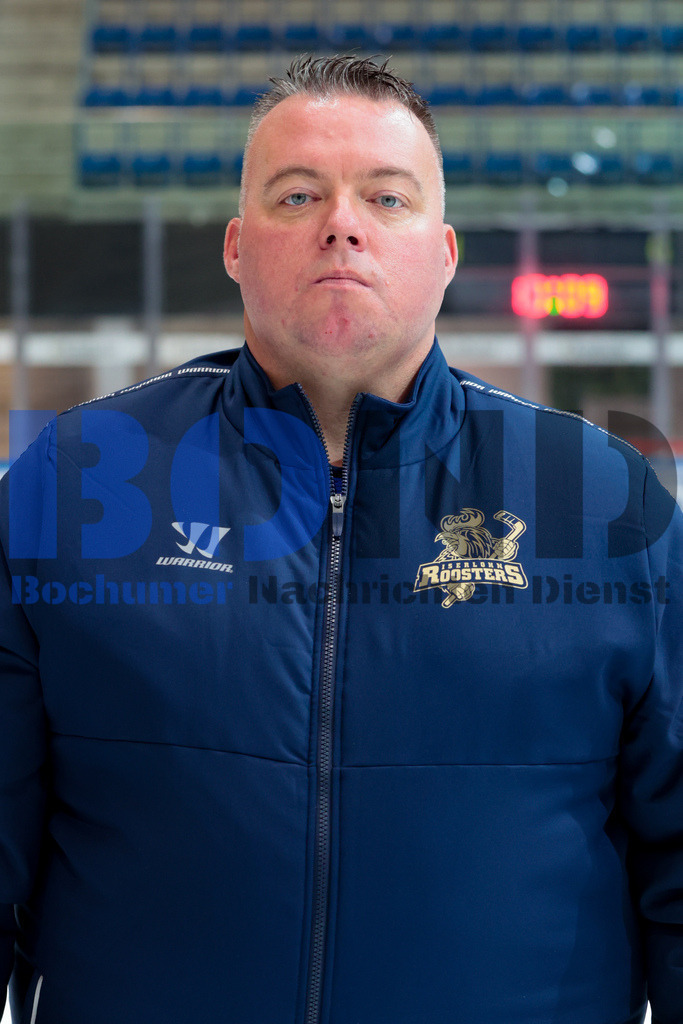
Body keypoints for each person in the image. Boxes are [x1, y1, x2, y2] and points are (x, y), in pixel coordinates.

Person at [0, 53, 681, 1024]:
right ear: (236, 245)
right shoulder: (74, 484)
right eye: (296, 194)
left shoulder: (600, 499)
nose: (341, 223)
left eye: (387, 198)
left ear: (443, 253)